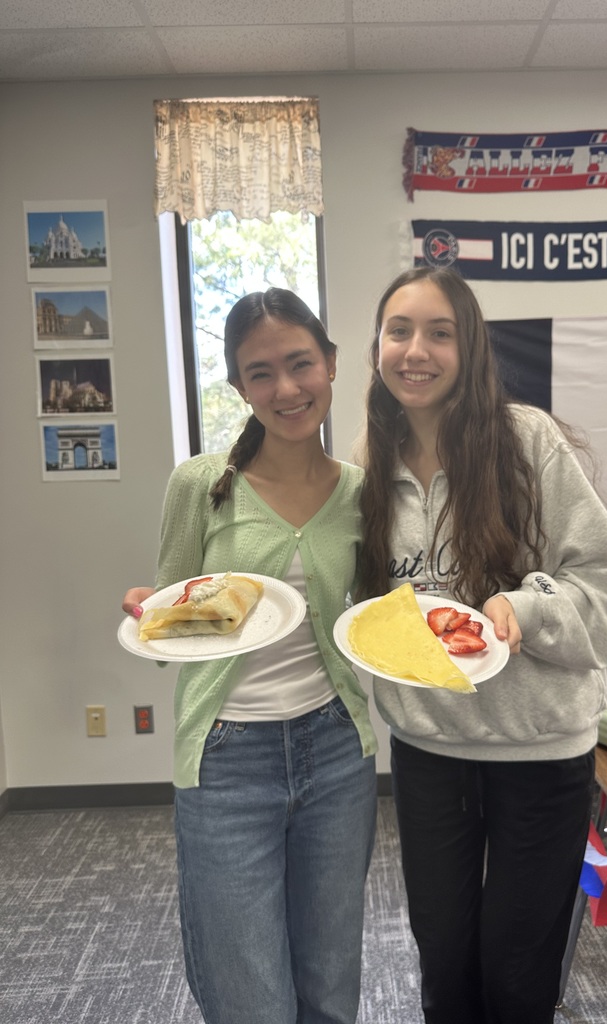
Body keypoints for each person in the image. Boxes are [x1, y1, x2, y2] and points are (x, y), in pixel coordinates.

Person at [358, 266, 607, 1024]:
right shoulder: (368, 469)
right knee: (444, 964)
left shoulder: (527, 442)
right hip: (428, 748)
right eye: (399, 330)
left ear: (470, 346)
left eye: (439, 332)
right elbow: (361, 608)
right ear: (377, 346)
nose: (416, 350)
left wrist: (525, 606)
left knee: (517, 974)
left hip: (539, 750)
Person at [122, 288, 378, 1024]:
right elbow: (173, 624)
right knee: (249, 997)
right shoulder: (201, 486)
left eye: (301, 364)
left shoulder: (363, 495)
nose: (287, 388)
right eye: (260, 373)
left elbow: (377, 617)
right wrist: (154, 612)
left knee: (331, 983)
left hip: (337, 752)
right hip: (226, 759)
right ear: (239, 387)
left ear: (331, 366)